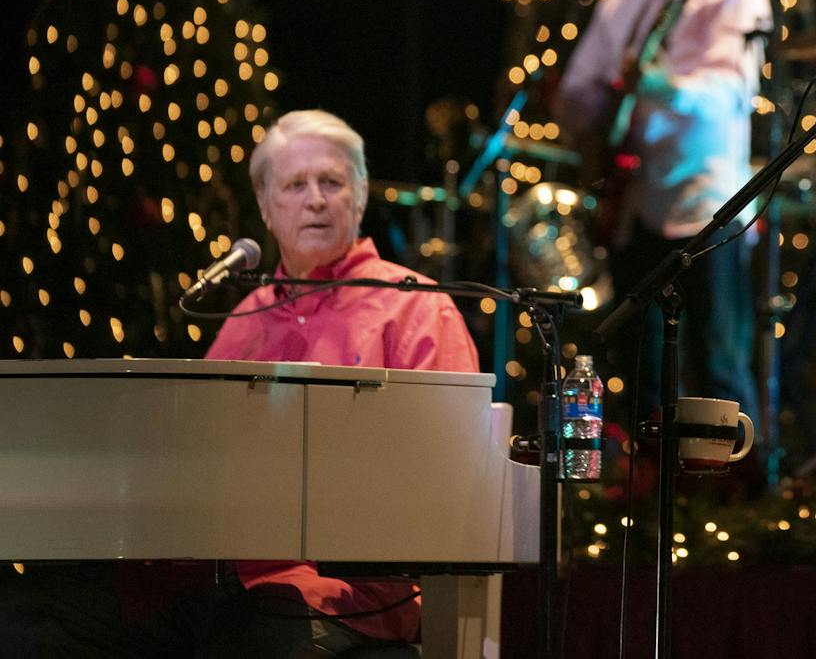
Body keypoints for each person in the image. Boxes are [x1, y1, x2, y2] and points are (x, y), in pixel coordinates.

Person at [0, 110, 480, 657]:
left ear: (361, 194)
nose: (316, 199)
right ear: (265, 207)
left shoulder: (416, 307)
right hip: (218, 586)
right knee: (28, 618)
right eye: (295, 185)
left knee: (254, 634)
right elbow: (197, 468)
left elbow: (453, 475)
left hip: (351, 597)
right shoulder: (244, 319)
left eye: (331, 182)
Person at [554, 0, 771, 418]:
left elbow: (729, 93)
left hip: (707, 206)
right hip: (634, 203)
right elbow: (581, 92)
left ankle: (738, 494)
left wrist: (659, 86)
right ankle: (650, 491)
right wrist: (572, 103)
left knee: (717, 365)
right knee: (641, 369)